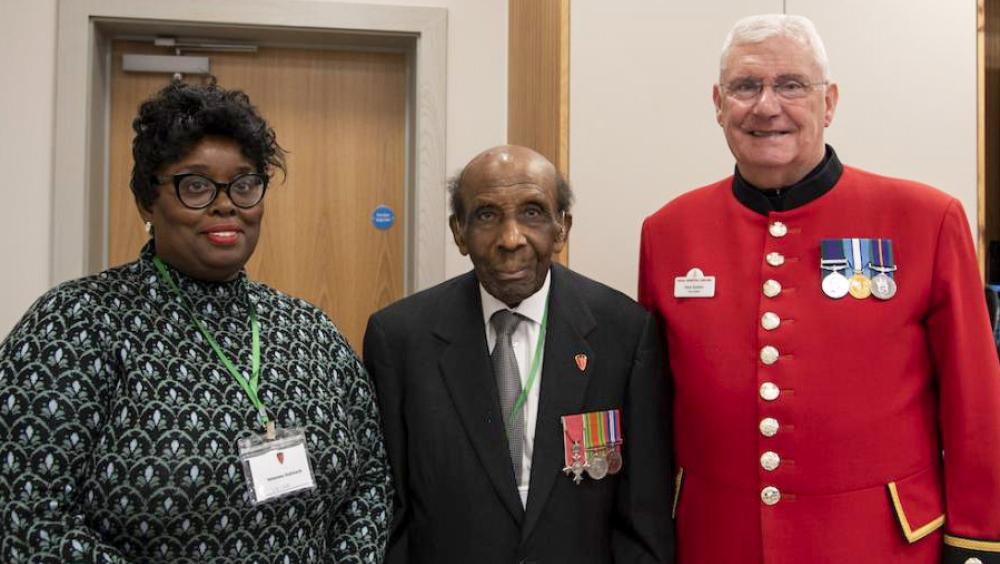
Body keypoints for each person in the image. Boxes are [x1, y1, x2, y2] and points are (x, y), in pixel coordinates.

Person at [638, 14, 1000, 564]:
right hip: (718, 543)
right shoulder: (669, 232)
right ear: (717, 103)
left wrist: (977, 541)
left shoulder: (925, 220)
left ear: (828, 103)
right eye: (745, 86)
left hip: (882, 546)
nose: (766, 106)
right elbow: (654, 410)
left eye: (791, 85)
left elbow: (975, 403)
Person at [0, 80, 391, 562]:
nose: (226, 204)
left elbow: (371, 480)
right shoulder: (75, 324)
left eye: (244, 184)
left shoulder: (309, 329)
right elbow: (30, 520)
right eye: (197, 186)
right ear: (148, 200)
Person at [364, 145, 674, 563]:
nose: (511, 239)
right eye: (487, 215)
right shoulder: (400, 339)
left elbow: (644, 518)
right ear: (459, 231)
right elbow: (391, 512)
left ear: (562, 227)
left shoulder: (624, 332)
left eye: (532, 213)